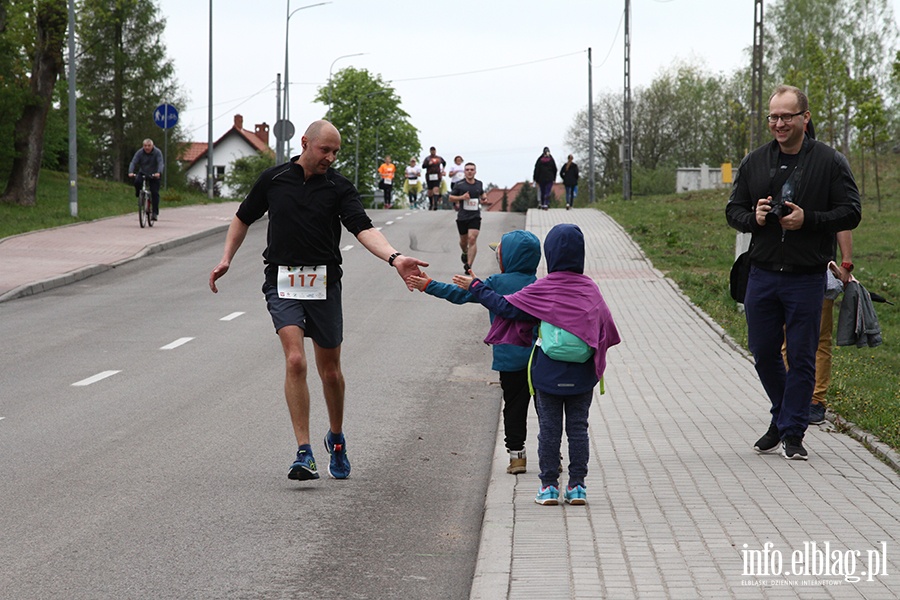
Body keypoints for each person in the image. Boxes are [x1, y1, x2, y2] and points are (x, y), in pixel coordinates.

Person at [208, 120, 427, 482]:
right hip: (282, 280)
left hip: (324, 283)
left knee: (331, 372)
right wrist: (226, 258)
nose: (330, 157)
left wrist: (395, 258)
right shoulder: (274, 180)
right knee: (295, 360)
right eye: (325, 149)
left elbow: (363, 227)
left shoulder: (339, 187)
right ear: (305, 143)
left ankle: (336, 439)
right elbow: (242, 217)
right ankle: (304, 451)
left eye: (336, 151)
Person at [726, 85, 861, 461]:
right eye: (773, 116)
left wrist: (810, 219)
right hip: (763, 273)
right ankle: (784, 415)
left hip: (805, 275)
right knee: (764, 351)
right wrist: (751, 218)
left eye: (787, 116)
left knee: (801, 356)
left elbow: (851, 211)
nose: (779, 123)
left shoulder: (830, 162)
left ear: (805, 117)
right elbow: (732, 211)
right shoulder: (755, 162)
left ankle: (793, 432)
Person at [452, 224, 621, 506]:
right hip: (582, 374)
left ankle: (549, 487)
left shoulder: (542, 287)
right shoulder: (590, 288)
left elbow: (506, 307)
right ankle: (578, 486)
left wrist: (477, 287)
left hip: (548, 372)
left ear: (550, 254)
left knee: (550, 430)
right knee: (578, 429)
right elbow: (608, 328)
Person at [406, 230, 542, 474]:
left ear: (507, 258)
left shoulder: (494, 284)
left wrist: (428, 285)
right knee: (546, 410)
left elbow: (458, 294)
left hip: (510, 362)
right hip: (539, 360)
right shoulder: (539, 285)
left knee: (513, 407)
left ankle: (517, 457)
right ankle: (555, 455)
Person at [449, 162, 486, 274]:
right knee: (463, 241)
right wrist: (462, 197)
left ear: (475, 171)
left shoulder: (479, 184)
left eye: (472, 169)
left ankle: (469, 266)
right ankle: (465, 252)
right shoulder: (459, 185)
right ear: (464, 172)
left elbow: (482, 193)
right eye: (467, 169)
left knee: (472, 239)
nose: (469, 171)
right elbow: (451, 198)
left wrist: (484, 197)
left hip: (475, 216)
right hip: (462, 217)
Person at [128, 139, 164, 221]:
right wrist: (130, 172)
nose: (147, 148)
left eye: (149, 146)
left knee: (154, 192)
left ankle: (155, 213)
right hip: (143, 172)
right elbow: (133, 162)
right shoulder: (140, 152)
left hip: (154, 174)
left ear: (152, 146)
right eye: (145, 146)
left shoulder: (157, 152)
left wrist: (159, 172)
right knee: (137, 181)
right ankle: (139, 193)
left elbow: (160, 163)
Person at [422, 147, 446, 211]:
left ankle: (435, 204)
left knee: (436, 189)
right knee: (430, 190)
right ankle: (431, 204)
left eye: (434, 151)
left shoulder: (439, 158)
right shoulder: (427, 158)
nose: (433, 152)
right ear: (430, 151)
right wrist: (428, 164)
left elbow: (444, 163)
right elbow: (423, 166)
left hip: (437, 175)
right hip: (429, 175)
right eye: (432, 151)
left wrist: (443, 169)